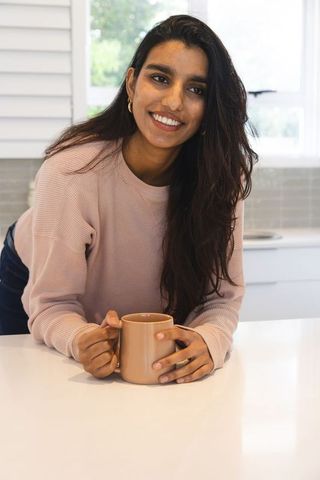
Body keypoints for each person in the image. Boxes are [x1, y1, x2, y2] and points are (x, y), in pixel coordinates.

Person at [0, 14, 257, 383]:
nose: (174, 101)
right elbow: (53, 304)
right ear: (132, 83)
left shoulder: (221, 180)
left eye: (196, 89)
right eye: (160, 78)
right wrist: (81, 338)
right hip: (31, 278)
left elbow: (220, 299)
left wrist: (209, 339)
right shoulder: (71, 172)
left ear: (210, 108)